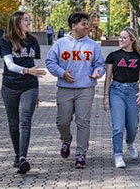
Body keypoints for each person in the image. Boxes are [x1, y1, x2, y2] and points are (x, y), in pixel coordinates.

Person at [45, 12, 105, 168]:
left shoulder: (92, 45)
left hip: (86, 89)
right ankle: (66, 140)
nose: (87, 26)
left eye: (87, 23)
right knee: (62, 121)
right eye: (83, 24)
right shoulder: (60, 43)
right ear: (74, 26)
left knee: (83, 122)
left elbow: (100, 64)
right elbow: (50, 62)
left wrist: (98, 71)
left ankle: (81, 154)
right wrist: (62, 73)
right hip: (65, 88)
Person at [0, 11, 46, 174]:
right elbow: (10, 65)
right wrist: (27, 70)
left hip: (29, 86)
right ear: (17, 22)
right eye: (25, 20)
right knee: (13, 122)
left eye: (28, 20)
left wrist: (37, 91)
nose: (29, 22)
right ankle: (17, 154)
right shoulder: (5, 40)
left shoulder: (33, 41)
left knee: (25, 121)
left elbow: (36, 69)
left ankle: (23, 158)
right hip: (10, 86)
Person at [103, 27, 140, 168]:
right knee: (118, 126)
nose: (120, 40)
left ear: (132, 40)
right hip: (116, 91)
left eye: (124, 38)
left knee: (132, 126)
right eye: (120, 37)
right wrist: (105, 96)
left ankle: (130, 142)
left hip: (133, 91)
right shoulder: (113, 56)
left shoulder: (139, 58)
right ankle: (118, 155)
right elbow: (108, 77)